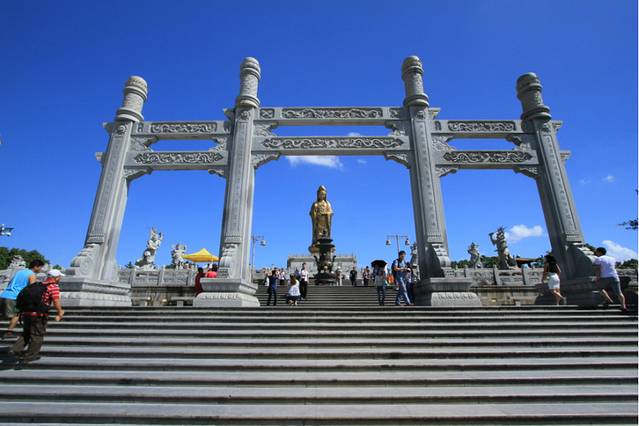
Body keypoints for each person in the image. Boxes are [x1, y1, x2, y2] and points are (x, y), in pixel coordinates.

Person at [9, 269, 65, 362]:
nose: (60, 279)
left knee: (26, 333)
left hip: (26, 313)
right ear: (56, 278)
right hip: (39, 314)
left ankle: (15, 349)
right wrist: (60, 311)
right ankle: (30, 356)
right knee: (37, 335)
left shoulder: (37, 284)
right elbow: (56, 300)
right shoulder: (53, 286)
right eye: (59, 277)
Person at [1, 259, 45, 339]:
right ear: (36, 267)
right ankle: (9, 332)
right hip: (14, 296)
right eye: (41, 267)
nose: (41, 269)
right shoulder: (32, 275)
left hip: (4, 294)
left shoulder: (20, 272)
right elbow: (32, 289)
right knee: (17, 314)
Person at [593, 247, 627, 311]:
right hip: (614, 276)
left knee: (599, 288)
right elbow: (616, 264)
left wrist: (597, 278)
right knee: (619, 293)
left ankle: (608, 300)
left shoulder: (598, 259)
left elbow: (598, 269)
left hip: (604, 277)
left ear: (599, 252)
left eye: (596, 251)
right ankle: (623, 306)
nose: (596, 253)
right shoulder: (612, 258)